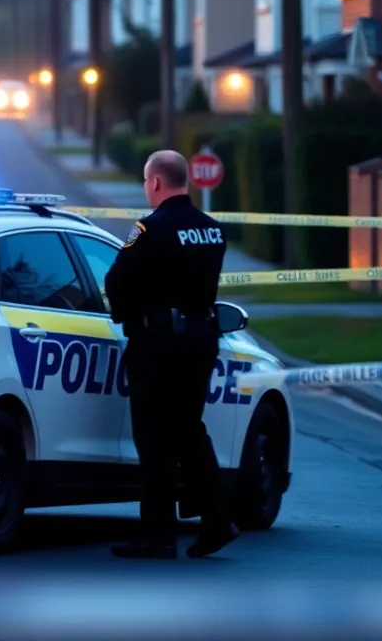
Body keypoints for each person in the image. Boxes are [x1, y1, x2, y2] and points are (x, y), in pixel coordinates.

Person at [104, 150, 236, 559]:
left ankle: (157, 535)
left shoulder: (149, 228)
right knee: (190, 429)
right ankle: (216, 521)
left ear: (156, 182)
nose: (147, 188)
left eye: (146, 181)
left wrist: (126, 315)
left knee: (154, 436)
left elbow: (116, 280)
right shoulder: (212, 230)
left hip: (159, 343)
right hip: (201, 338)